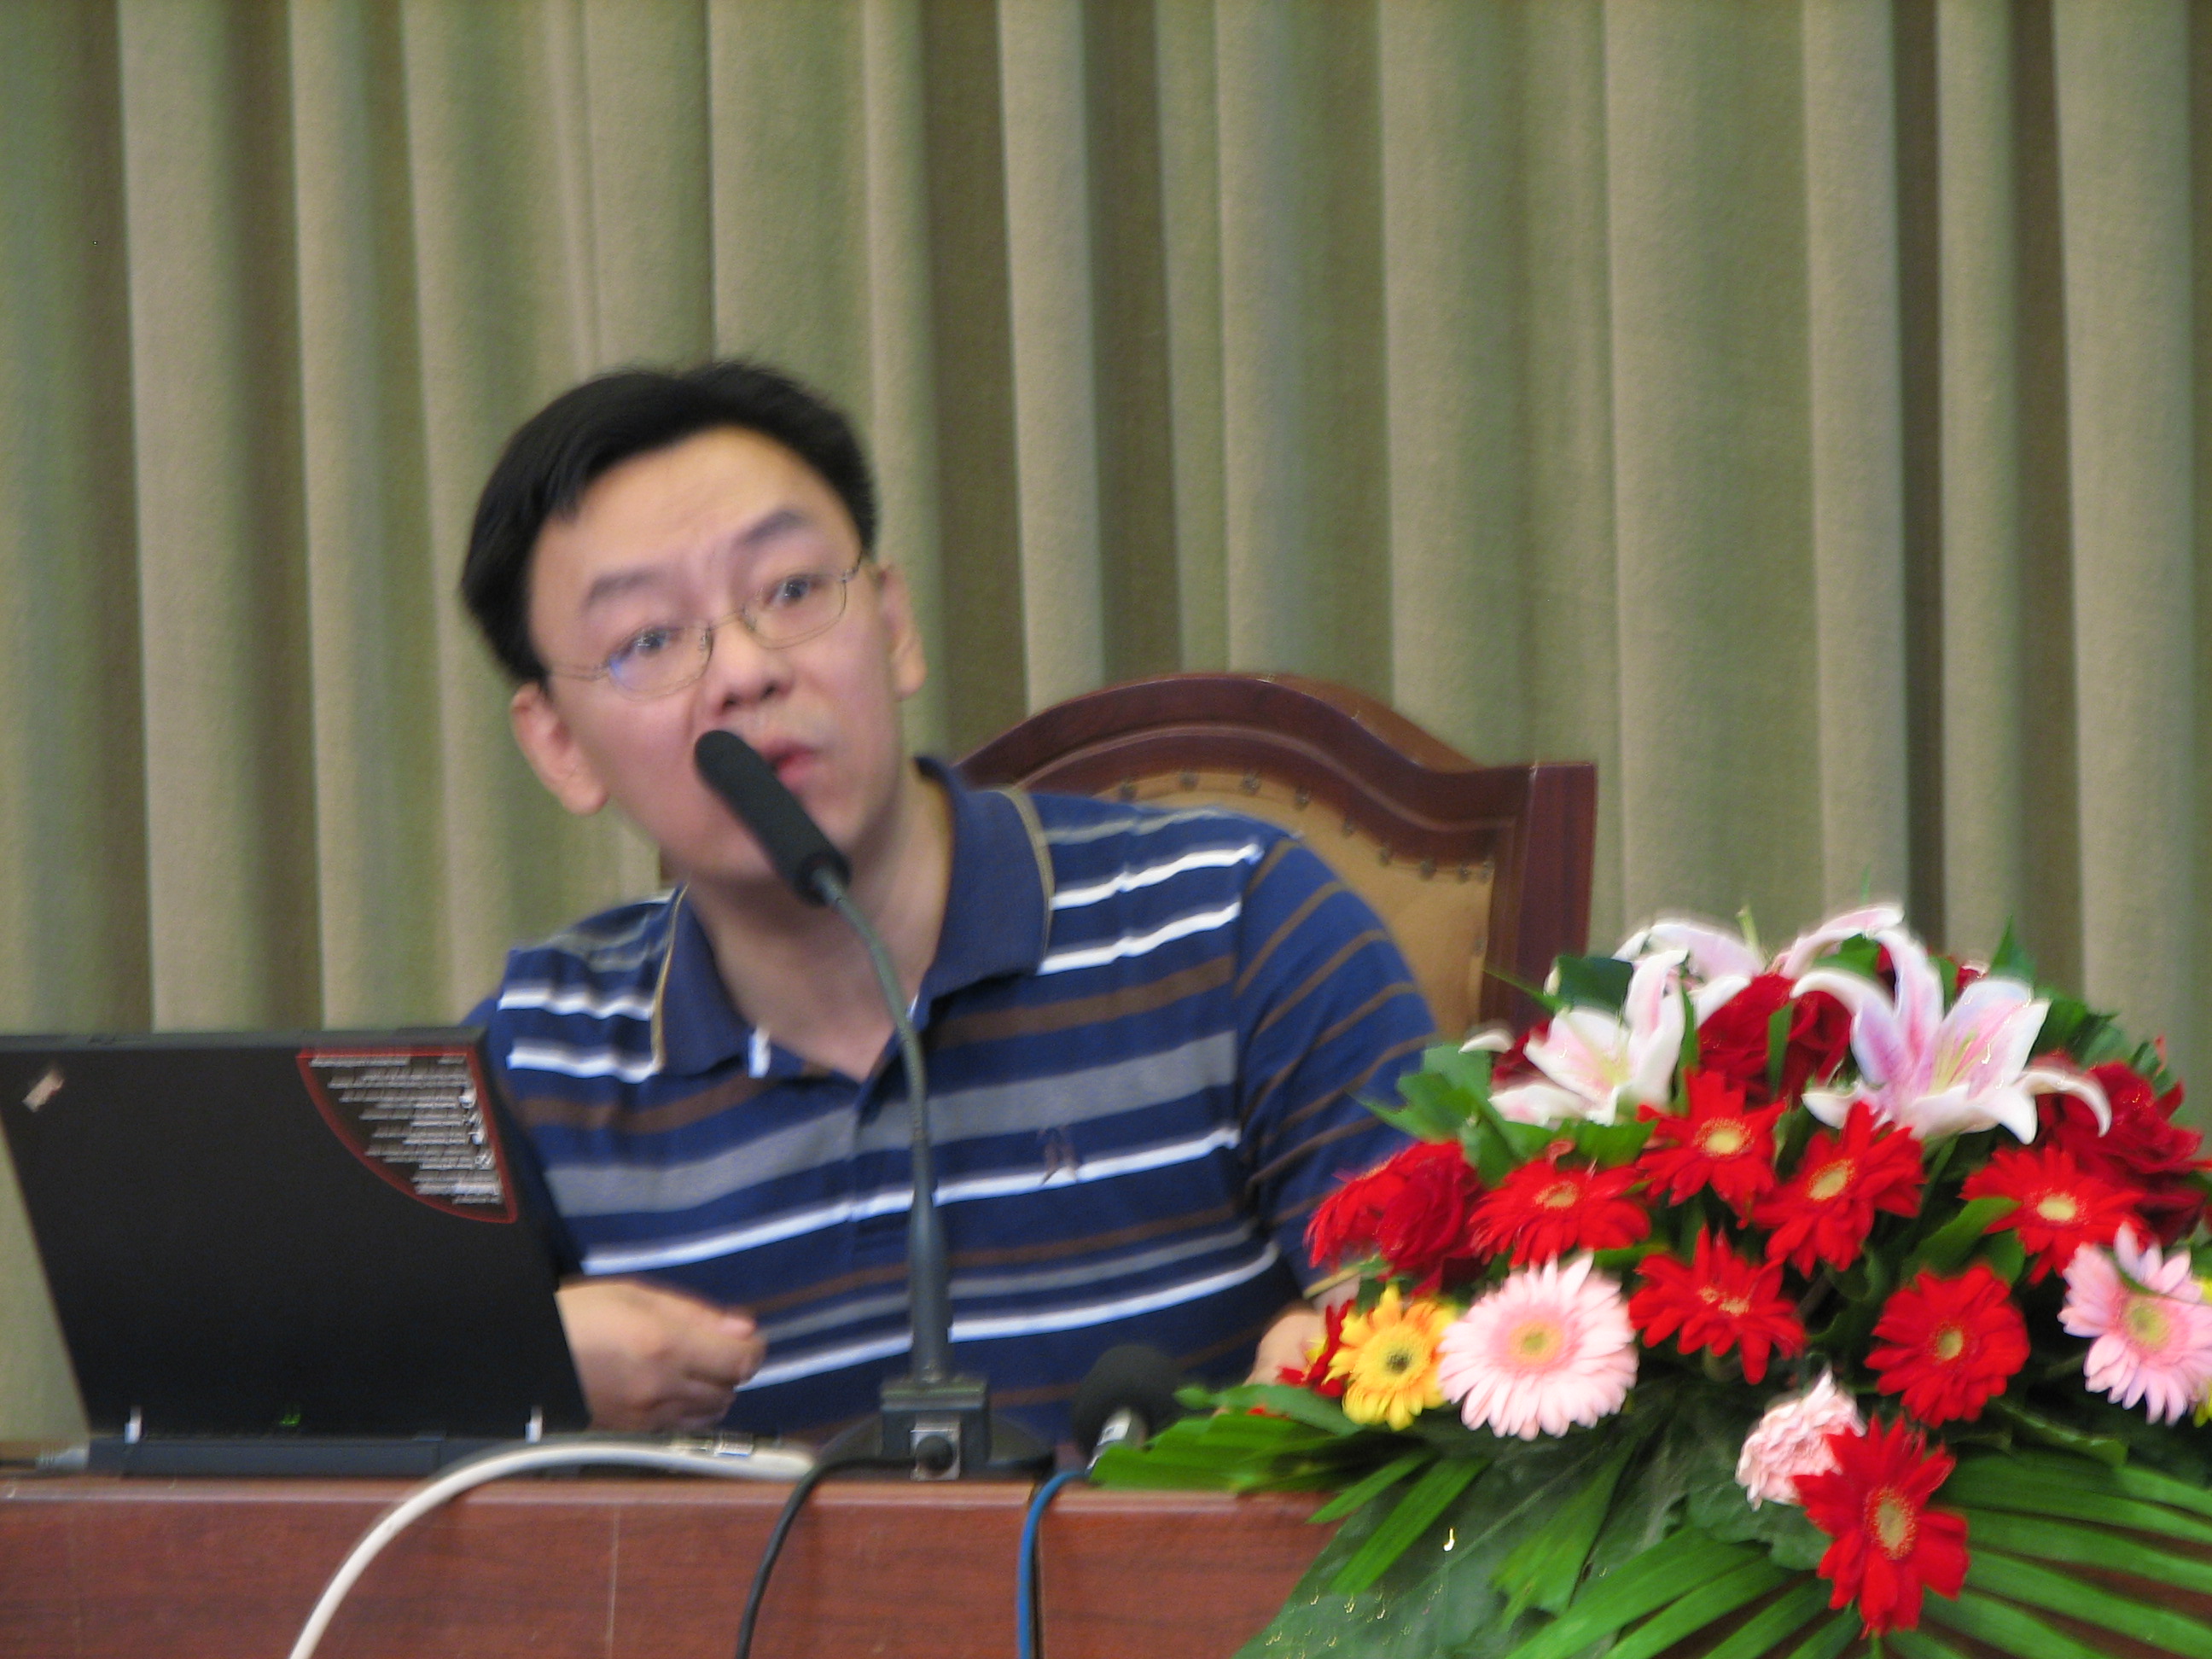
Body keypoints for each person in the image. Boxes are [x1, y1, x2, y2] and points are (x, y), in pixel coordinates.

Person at [460, 362, 1432, 1443]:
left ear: (893, 625)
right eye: (649, 640)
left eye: (790, 590)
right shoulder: (536, 1064)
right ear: (559, 745)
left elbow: (1463, 1358)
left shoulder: (1237, 927)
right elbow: (334, 1430)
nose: (744, 670)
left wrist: (1362, 1371)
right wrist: (514, 1371)